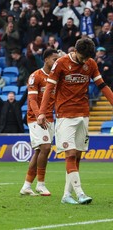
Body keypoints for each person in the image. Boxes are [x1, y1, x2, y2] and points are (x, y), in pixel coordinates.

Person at [37, 38, 113, 205]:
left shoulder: (91, 64)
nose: (85, 60)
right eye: (82, 57)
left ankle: (66, 195)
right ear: (75, 51)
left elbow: (102, 85)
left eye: (87, 58)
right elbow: (49, 88)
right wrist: (42, 112)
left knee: (77, 156)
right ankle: (80, 193)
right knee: (70, 153)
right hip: (65, 116)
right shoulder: (61, 63)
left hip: (84, 114)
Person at [20, 49, 61, 197]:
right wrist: (39, 115)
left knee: (39, 151)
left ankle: (26, 185)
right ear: (46, 59)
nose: (56, 62)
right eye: (54, 59)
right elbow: (32, 100)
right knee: (45, 147)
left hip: (50, 118)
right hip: (35, 117)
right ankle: (41, 184)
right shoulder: (35, 76)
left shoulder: (56, 77)